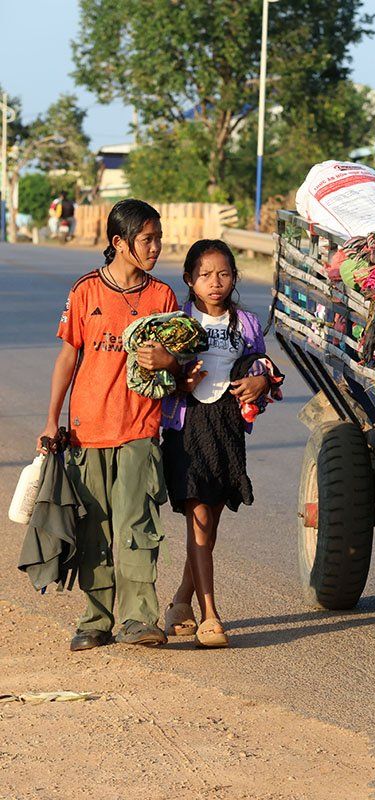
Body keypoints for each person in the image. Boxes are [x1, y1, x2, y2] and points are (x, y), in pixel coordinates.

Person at [38, 199, 180, 651]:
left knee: (137, 525)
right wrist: (50, 421)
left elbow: (178, 363)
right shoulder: (84, 292)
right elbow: (68, 357)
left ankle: (139, 619)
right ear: (119, 243)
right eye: (147, 240)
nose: (156, 247)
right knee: (93, 528)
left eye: (158, 238)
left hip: (139, 428)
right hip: (86, 430)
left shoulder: (163, 297)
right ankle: (95, 620)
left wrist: (168, 360)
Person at [161, 240, 271, 648]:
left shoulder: (245, 323)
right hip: (187, 426)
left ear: (235, 278)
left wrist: (260, 380)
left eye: (224, 274)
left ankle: (178, 604)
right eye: (205, 275)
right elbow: (156, 372)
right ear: (189, 279)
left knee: (210, 524)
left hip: (227, 426)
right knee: (199, 519)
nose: (215, 282)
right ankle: (210, 614)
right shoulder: (178, 320)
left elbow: (262, 364)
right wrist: (178, 378)